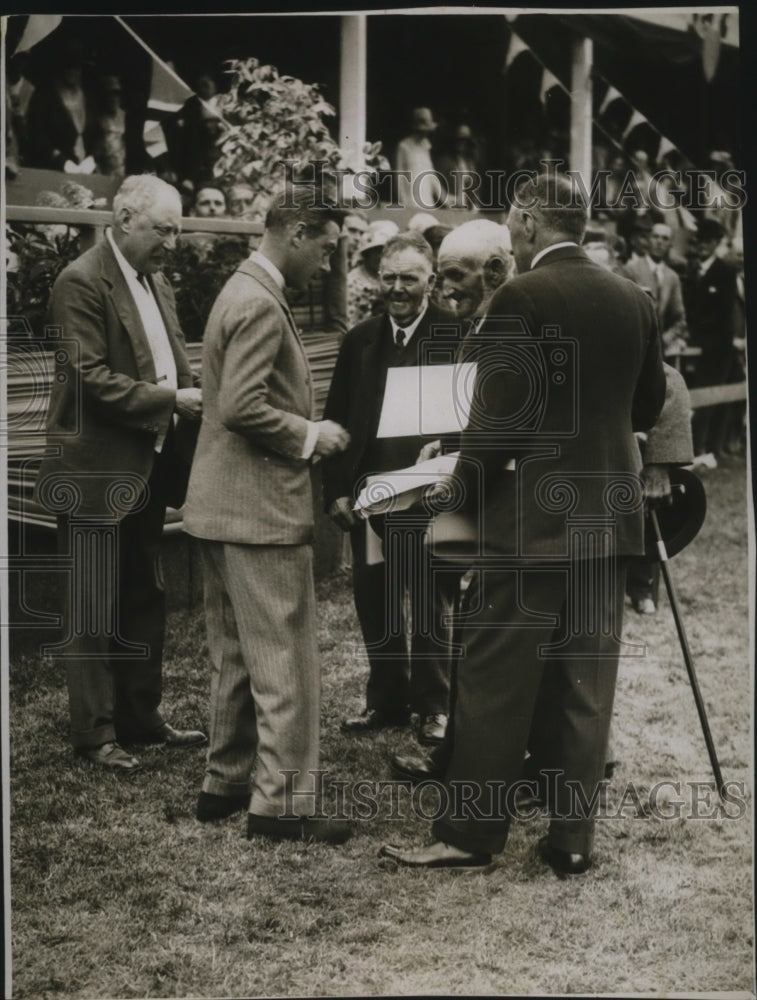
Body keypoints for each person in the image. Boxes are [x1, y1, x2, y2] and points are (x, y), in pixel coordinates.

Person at [381, 173, 665, 873]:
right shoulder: (634, 298)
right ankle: (572, 844)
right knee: (584, 687)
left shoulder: (521, 297)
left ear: (532, 223)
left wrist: (453, 492)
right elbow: (647, 406)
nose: (511, 233)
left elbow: (497, 425)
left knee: (493, 680)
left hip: (531, 523)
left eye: (513, 222)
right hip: (609, 518)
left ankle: (467, 837)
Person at [182, 185, 352, 845]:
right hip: (258, 511)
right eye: (327, 248)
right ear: (298, 232)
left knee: (234, 654)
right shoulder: (258, 301)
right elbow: (241, 406)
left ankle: (224, 782)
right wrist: (312, 435)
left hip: (220, 507)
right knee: (284, 658)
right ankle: (282, 805)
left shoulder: (241, 289)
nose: (328, 264)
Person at [34, 174, 206, 772]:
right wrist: (174, 401)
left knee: (142, 594)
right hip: (94, 473)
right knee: (91, 608)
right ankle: (94, 734)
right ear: (125, 218)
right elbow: (88, 379)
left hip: (148, 465)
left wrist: (187, 400)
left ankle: (141, 717)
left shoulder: (156, 281)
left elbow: (172, 361)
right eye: (164, 230)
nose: (173, 244)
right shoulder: (80, 281)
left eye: (178, 231)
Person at [322, 231, 458, 745]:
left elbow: (470, 418)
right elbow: (336, 416)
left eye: (409, 278)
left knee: (428, 602)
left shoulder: (455, 334)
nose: (398, 288)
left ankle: (434, 705)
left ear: (431, 281)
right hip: (369, 498)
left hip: (428, 496)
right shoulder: (359, 339)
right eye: (390, 277)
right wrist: (336, 489)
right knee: (374, 598)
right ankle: (386, 700)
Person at [683, 218, 738, 468]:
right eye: (700, 241)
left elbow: (721, 315)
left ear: (716, 243)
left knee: (709, 400)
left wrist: (694, 331)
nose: (702, 246)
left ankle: (704, 450)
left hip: (716, 348)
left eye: (708, 241)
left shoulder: (725, 272)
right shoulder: (693, 269)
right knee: (694, 398)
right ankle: (696, 450)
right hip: (696, 346)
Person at [622, 222, 688, 355]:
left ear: (670, 244)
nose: (659, 242)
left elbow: (679, 319)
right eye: (655, 236)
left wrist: (664, 339)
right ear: (648, 240)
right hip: (634, 345)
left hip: (660, 349)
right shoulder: (630, 269)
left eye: (665, 238)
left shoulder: (672, 277)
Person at [346, 220, 399, 328]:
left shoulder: (392, 277)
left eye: (388, 252)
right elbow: (351, 323)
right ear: (367, 253)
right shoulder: (353, 283)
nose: (382, 257)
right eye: (378, 251)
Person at [395, 107, 443, 210]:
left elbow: (432, 175)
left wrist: (443, 197)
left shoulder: (426, 146)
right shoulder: (404, 146)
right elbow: (400, 177)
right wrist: (403, 202)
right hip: (411, 200)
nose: (426, 133)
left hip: (427, 199)